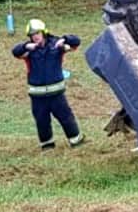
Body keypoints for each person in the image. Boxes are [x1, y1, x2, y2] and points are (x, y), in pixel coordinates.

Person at [11, 18, 84, 150]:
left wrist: (65, 39)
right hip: (37, 96)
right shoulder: (28, 50)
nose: (35, 37)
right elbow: (15, 52)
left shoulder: (57, 45)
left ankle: (76, 141)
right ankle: (47, 145)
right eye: (32, 35)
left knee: (66, 118)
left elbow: (76, 42)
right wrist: (26, 46)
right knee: (41, 121)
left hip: (57, 94)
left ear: (43, 32)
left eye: (37, 33)